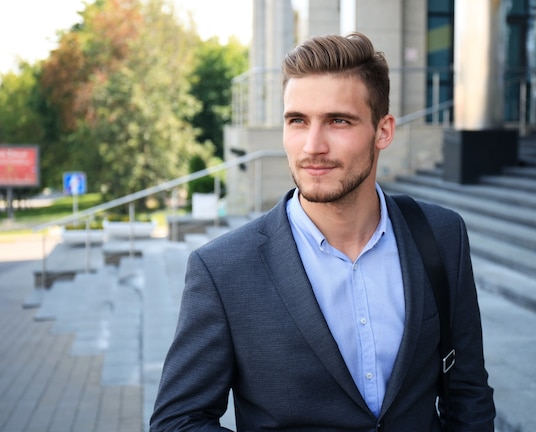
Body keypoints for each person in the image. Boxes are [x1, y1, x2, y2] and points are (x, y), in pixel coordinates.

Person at [150, 32, 495, 431]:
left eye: (338, 121)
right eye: (297, 121)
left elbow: (467, 391)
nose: (313, 146)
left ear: (383, 131)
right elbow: (178, 422)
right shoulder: (223, 269)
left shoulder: (441, 235)